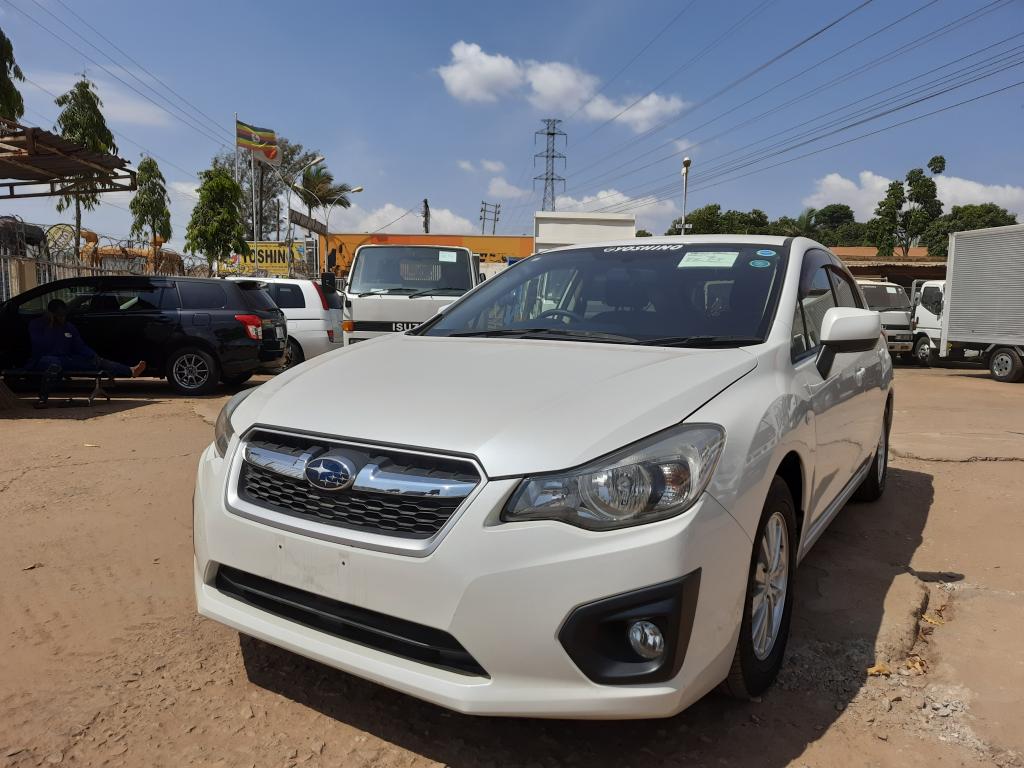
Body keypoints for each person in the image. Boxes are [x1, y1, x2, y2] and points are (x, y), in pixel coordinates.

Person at [27, 298, 146, 408]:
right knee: (54, 365)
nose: (62, 318)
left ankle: (130, 371)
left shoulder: (69, 327)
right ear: (51, 314)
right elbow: (41, 345)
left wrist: (92, 355)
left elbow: (80, 346)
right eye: (59, 316)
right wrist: (50, 326)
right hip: (44, 359)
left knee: (97, 360)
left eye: (64, 315)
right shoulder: (37, 325)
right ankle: (42, 399)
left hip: (67, 359)